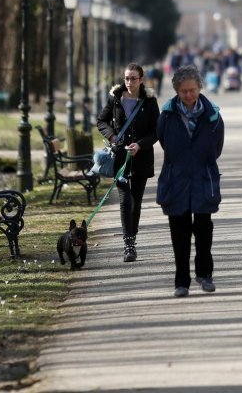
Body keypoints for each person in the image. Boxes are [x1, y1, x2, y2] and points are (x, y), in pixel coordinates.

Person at [156, 65, 225, 298]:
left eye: (192, 90)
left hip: (203, 179)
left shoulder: (212, 113)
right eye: (184, 91)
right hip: (176, 180)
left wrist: (199, 160)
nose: (188, 95)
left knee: (204, 230)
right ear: (176, 90)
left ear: (199, 88)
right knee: (179, 233)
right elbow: (164, 141)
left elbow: (217, 147)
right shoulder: (167, 114)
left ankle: (205, 274)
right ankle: (181, 281)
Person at [96, 63, 160, 263]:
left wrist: (140, 145)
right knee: (125, 200)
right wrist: (114, 138)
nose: (129, 82)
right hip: (120, 158)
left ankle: (133, 239)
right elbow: (101, 121)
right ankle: (128, 245)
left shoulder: (149, 101)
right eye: (127, 78)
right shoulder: (115, 97)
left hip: (141, 158)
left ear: (141, 80)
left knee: (136, 202)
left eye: (133, 78)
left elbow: (156, 130)